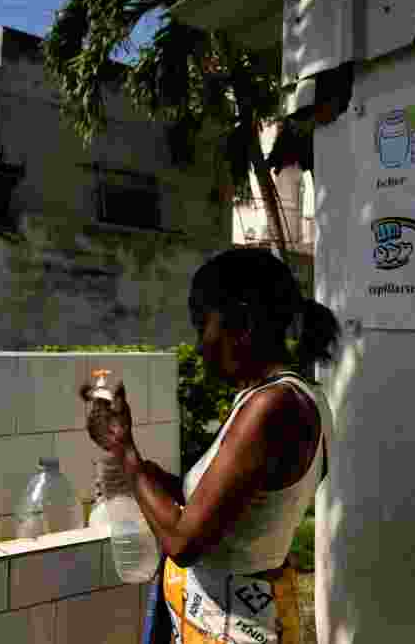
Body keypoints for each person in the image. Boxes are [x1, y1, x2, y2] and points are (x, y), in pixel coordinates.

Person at [82, 247, 340, 644]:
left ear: (243, 323)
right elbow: (217, 504)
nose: (200, 345)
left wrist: (128, 456)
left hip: (234, 629)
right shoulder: (284, 397)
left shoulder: (272, 407)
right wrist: (137, 467)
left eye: (203, 325)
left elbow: (184, 542)